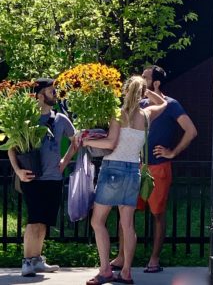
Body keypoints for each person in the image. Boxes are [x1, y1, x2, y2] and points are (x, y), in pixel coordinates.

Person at [110, 65, 197, 273]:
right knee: (126, 213)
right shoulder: (138, 105)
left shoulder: (171, 105)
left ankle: (154, 259)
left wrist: (173, 152)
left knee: (158, 214)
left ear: (156, 83)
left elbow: (191, 130)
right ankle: (122, 257)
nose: (141, 80)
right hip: (134, 166)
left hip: (158, 167)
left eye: (146, 78)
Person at [82, 76, 167, 285]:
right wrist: (148, 92)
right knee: (127, 225)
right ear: (141, 93)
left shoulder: (119, 114)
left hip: (113, 168)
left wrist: (86, 140)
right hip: (133, 171)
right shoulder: (146, 115)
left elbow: (111, 143)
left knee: (97, 221)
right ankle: (127, 272)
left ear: (125, 91)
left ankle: (105, 271)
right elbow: (163, 103)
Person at [8, 78, 77, 277]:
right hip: (32, 178)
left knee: (44, 221)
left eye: (54, 91)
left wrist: (64, 162)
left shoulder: (61, 119)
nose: (55, 94)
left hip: (54, 178)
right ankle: (27, 262)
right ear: (39, 95)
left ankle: (37, 260)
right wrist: (19, 171)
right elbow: (12, 148)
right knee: (34, 220)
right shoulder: (26, 119)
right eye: (51, 91)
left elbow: (75, 141)